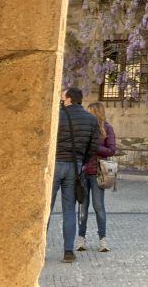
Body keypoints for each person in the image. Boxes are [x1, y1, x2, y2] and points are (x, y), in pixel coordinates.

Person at [50, 87, 100, 263]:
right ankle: (68, 252)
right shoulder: (91, 119)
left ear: (69, 99)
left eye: (63, 98)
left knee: (45, 209)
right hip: (75, 165)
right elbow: (94, 146)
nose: (62, 101)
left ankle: (37, 249)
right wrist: (81, 161)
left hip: (55, 163)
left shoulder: (57, 115)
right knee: (69, 210)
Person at [77, 101, 116, 254]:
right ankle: (81, 238)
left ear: (96, 113)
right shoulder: (85, 128)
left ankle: (102, 239)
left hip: (98, 173)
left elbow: (112, 150)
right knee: (82, 208)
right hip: (84, 171)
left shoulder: (107, 128)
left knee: (99, 207)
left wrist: (95, 147)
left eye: (89, 112)